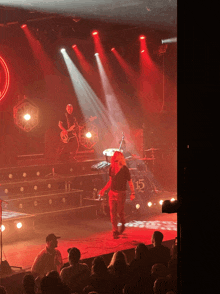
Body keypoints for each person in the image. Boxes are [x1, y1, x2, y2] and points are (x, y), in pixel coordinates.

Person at [99, 151, 135, 239]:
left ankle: (123, 223)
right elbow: (110, 181)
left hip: (121, 193)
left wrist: (132, 193)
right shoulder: (111, 168)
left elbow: (130, 182)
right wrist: (103, 189)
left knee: (120, 212)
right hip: (112, 192)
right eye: (115, 155)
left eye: (118, 156)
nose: (115, 157)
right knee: (112, 212)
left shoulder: (124, 169)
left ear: (121, 158)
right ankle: (114, 230)